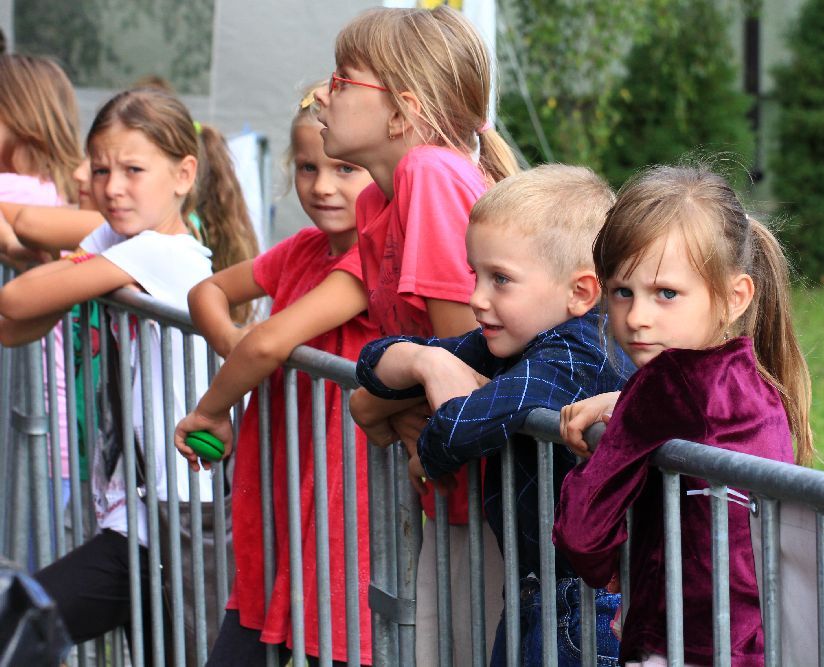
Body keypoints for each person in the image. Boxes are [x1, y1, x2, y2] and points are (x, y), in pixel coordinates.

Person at [0, 87, 253, 666]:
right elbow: (18, 328)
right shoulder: (119, 241)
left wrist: (59, 276)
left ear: (184, 174)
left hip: (174, 518)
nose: (112, 187)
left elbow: (16, 300)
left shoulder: (161, 253)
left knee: (21, 621)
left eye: (133, 170)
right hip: (139, 511)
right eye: (101, 169)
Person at [354, 165, 631, 666]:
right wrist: (427, 362)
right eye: (475, 275)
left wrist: (429, 442)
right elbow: (372, 366)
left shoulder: (576, 354)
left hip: (586, 611)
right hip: (540, 592)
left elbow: (454, 433)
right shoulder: (516, 339)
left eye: (500, 279)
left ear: (581, 292)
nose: (477, 298)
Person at [315, 6, 519, 664]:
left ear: (402, 112)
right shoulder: (377, 199)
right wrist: (394, 399)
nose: (321, 96)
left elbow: (468, 360)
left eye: (342, 80)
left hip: (499, 501)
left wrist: (374, 401)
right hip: (454, 487)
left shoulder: (429, 174)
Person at [553, 165, 814, 667]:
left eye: (666, 294)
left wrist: (612, 565)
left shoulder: (665, 386)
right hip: (755, 641)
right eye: (622, 291)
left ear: (734, 298)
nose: (637, 317)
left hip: (679, 645)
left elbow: (582, 531)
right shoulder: (756, 382)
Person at [174, 84, 378, 666]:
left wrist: (211, 409)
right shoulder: (301, 249)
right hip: (282, 491)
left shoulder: (370, 262)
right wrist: (234, 346)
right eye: (308, 167)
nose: (322, 186)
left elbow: (269, 342)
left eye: (345, 168)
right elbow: (207, 292)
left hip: (343, 505)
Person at [0, 53, 86, 524]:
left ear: (19, 119)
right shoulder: (59, 191)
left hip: (35, 425)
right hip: (53, 428)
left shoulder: (24, 191)